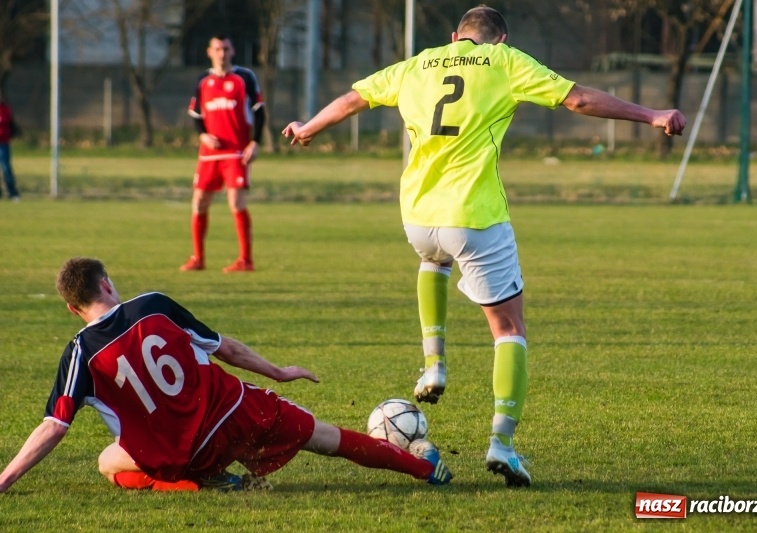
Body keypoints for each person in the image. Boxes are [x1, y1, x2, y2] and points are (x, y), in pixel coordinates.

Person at [282, 5, 686, 488]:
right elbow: (577, 101)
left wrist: (307, 127)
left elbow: (353, 99)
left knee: (432, 259)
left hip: (417, 216)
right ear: (500, 39)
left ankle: (434, 366)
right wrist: (652, 114)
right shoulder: (504, 61)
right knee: (509, 328)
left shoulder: (418, 64)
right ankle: (502, 444)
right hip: (473, 217)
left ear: (455, 36)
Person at [0, 257, 452, 494]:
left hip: (177, 456)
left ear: (70, 308)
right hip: (237, 415)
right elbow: (227, 348)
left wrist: (3, 481)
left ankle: (198, 482)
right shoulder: (152, 304)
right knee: (329, 439)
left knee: (107, 461)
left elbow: (53, 427)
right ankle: (424, 468)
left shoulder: (79, 353)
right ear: (107, 285)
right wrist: (279, 371)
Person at [180, 34, 263, 273]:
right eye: (217, 49)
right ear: (209, 52)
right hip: (208, 154)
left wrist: (255, 142)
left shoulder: (244, 77)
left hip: (236, 152)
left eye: (225, 49)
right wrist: (203, 135)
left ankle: (245, 260)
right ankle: (198, 259)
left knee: (236, 202)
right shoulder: (204, 80)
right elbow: (196, 115)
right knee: (199, 202)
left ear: (232, 51)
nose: (222, 53)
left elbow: (259, 111)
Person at [0, 96, 21, 201]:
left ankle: (12, 192)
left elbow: (10, 123)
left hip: (3, 143)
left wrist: (13, 132)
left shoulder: (5, 108)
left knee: (6, 168)